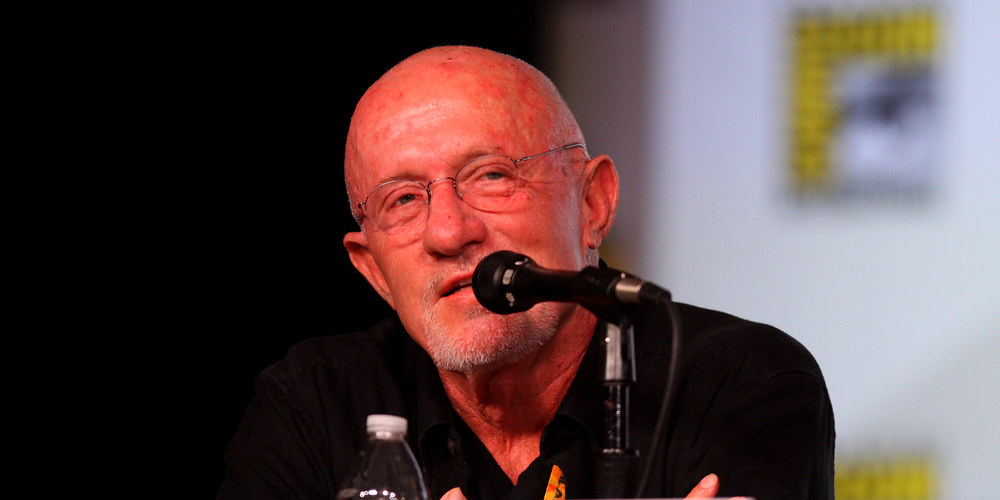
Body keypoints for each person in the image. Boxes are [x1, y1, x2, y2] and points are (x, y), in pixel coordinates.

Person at [218, 45, 835, 500]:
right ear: (373, 268)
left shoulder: (740, 383)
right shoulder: (311, 408)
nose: (448, 232)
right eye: (403, 200)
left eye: (491, 175)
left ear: (592, 204)